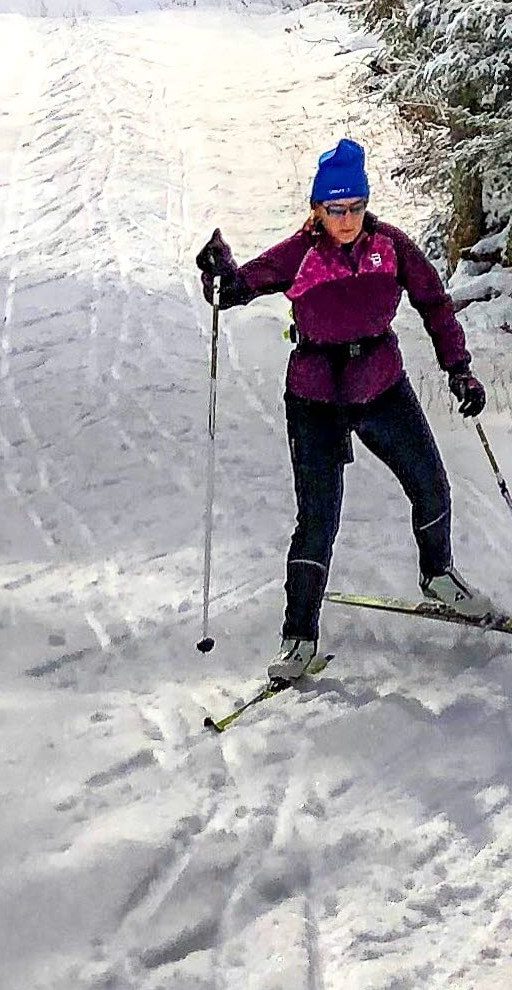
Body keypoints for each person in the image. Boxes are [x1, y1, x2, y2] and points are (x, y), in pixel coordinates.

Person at [196, 137, 492, 684]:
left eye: (355, 206)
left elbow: (434, 304)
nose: (348, 218)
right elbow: (237, 288)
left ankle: (438, 576)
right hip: (315, 397)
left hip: (381, 384)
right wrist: (219, 270)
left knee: (431, 484)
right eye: (336, 209)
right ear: (317, 210)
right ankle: (299, 638)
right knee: (317, 520)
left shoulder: (392, 248)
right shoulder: (300, 254)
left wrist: (459, 369)